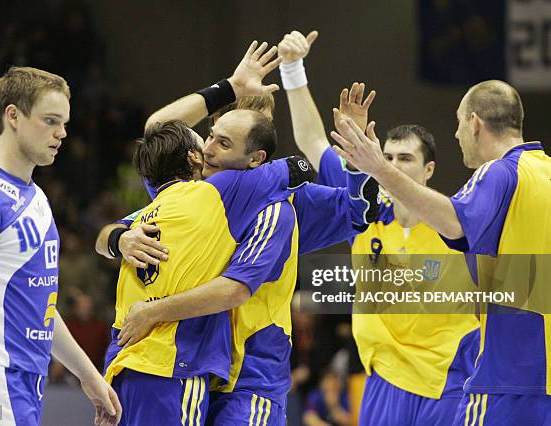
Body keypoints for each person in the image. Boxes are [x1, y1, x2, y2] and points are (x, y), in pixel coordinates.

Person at [98, 39, 377, 425]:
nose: (209, 149)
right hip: (186, 365)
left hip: (249, 375)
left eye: (224, 141)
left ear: (257, 155)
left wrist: (361, 156)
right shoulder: (192, 186)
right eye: (211, 133)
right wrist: (118, 238)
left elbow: (360, 210)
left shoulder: (284, 204)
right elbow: (157, 132)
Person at [280, 30, 480, 425]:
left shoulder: (457, 220)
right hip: (384, 378)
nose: (391, 165)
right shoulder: (365, 206)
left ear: (429, 170)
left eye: (404, 158)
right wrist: (292, 68)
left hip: (449, 379)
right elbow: (312, 140)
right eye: (385, 156)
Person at [331, 80, 551, 425]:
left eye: (459, 122)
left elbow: (454, 222)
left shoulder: (498, 171)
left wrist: (378, 168)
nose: (456, 133)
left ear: (475, 123)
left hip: (506, 372)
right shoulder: (546, 172)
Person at [102, 117, 315, 425]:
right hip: (173, 364)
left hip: (121, 365)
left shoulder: (142, 217)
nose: (210, 149)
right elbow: (301, 168)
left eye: (222, 142)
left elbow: (154, 127)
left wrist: (114, 238)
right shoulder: (219, 192)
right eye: (207, 140)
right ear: (193, 158)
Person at [0, 66, 121, 426]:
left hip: (25, 382)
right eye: (51, 120)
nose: (62, 133)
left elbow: (41, 309)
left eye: (65, 123)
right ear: (13, 116)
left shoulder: (36, 198)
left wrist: (88, 374)